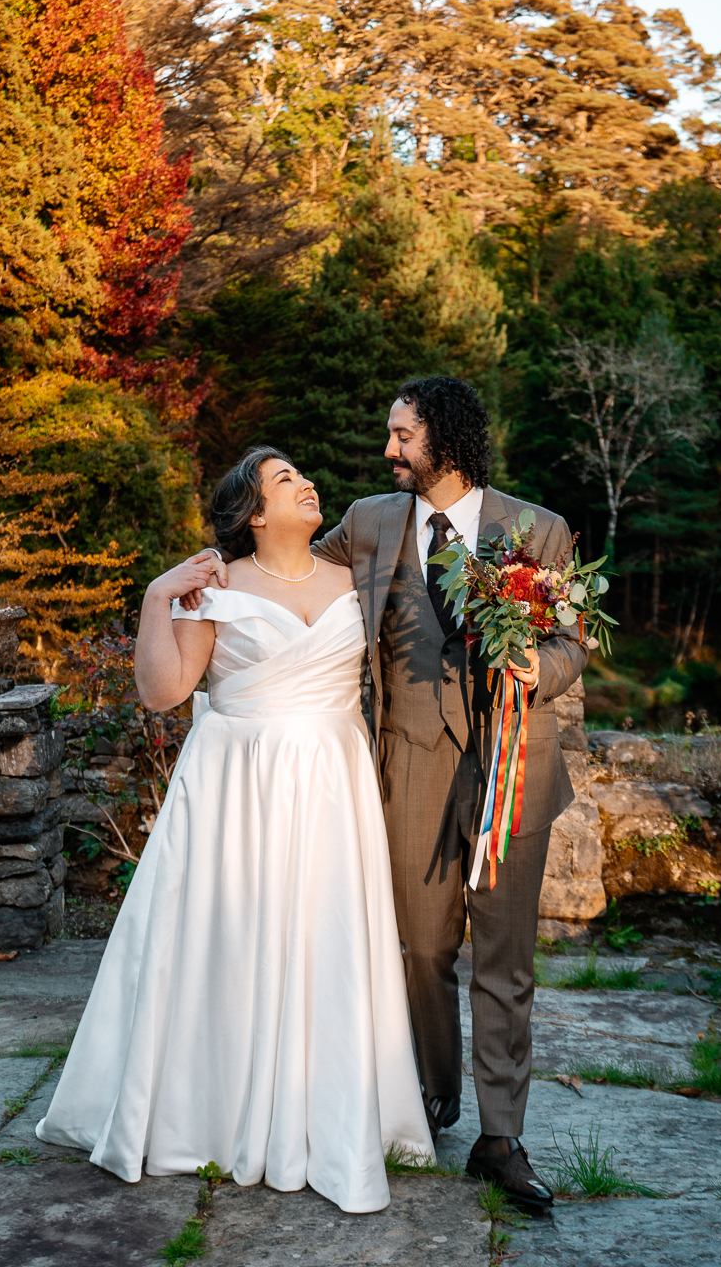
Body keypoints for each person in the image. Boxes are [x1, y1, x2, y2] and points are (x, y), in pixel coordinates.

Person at [184, 377, 588, 1212]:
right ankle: (430, 1099)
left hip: (515, 763)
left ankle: (501, 1137)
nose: (389, 451)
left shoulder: (538, 529)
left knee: (507, 964)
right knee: (419, 952)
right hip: (408, 761)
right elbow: (280, 562)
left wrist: (534, 669)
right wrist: (199, 579)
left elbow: (572, 642)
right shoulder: (367, 523)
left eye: (402, 435)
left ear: (442, 438)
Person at [36, 447, 432, 1215]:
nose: (308, 483)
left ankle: (330, 1110)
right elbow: (163, 693)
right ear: (254, 512)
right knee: (232, 942)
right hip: (237, 787)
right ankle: (212, 1111)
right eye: (287, 480)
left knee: (327, 942)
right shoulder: (216, 587)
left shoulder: (359, 580)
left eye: (304, 475)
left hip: (330, 782)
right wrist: (157, 598)